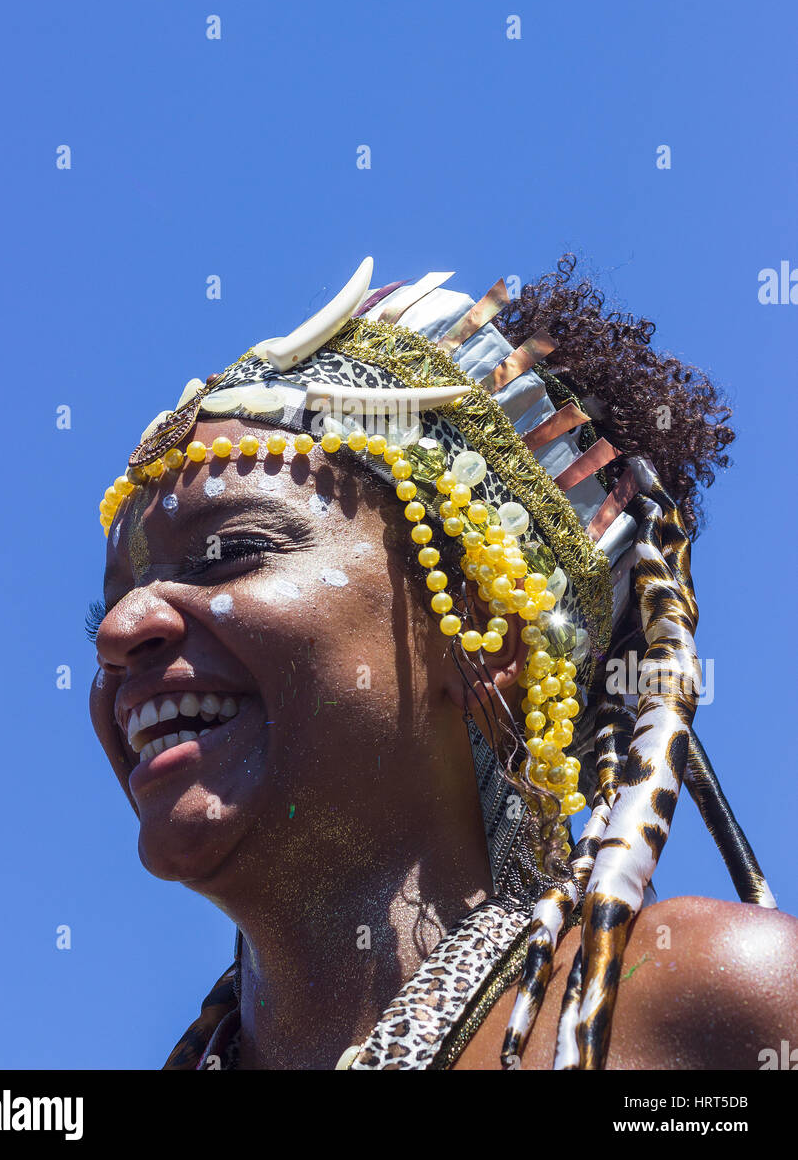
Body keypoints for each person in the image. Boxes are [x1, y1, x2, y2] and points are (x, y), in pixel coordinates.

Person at [89, 254, 797, 1070]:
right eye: (104, 606)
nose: (118, 630)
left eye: (228, 552)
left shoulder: (709, 1015)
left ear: (485, 629)